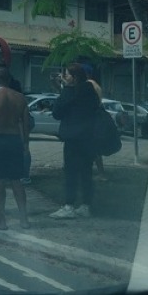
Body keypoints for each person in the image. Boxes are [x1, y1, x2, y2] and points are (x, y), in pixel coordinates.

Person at [0, 67, 31, 230]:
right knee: (17, 181)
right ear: (9, 79)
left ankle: (0, 220)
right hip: (15, 140)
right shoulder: (20, 99)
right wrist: (25, 145)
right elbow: (25, 125)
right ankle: (24, 219)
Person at [50, 63, 100, 219]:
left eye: (66, 75)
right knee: (86, 172)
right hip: (88, 137)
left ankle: (69, 205)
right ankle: (86, 205)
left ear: (74, 77)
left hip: (73, 138)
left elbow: (57, 112)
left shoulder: (70, 92)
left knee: (71, 172)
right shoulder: (90, 90)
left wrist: (64, 89)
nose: (64, 78)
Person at [81, 62, 108, 182]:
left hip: (90, 119)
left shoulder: (88, 85)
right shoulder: (95, 84)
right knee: (95, 149)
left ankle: (100, 173)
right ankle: (99, 172)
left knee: (92, 149)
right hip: (95, 118)